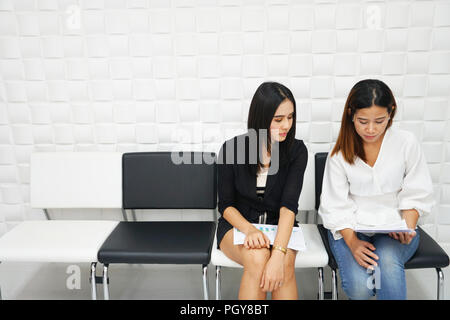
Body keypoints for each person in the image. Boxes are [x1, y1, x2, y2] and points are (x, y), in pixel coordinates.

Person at [318, 79, 434, 300]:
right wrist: (352, 242)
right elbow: (334, 206)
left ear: (391, 113)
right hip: (351, 228)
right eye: (363, 121)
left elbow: (418, 192)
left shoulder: (406, 143)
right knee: (360, 288)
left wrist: (407, 227)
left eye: (379, 121)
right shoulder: (339, 154)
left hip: (395, 227)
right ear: (351, 114)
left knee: (387, 264)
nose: (371, 129)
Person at [216, 82, 308, 300]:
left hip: (280, 226)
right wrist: (249, 230)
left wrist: (277, 253)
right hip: (238, 225)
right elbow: (226, 206)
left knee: (283, 263)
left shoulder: (297, 151)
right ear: (261, 118)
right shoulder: (232, 149)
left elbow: (289, 207)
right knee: (257, 258)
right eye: (278, 120)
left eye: (291, 117)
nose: (286, 125)